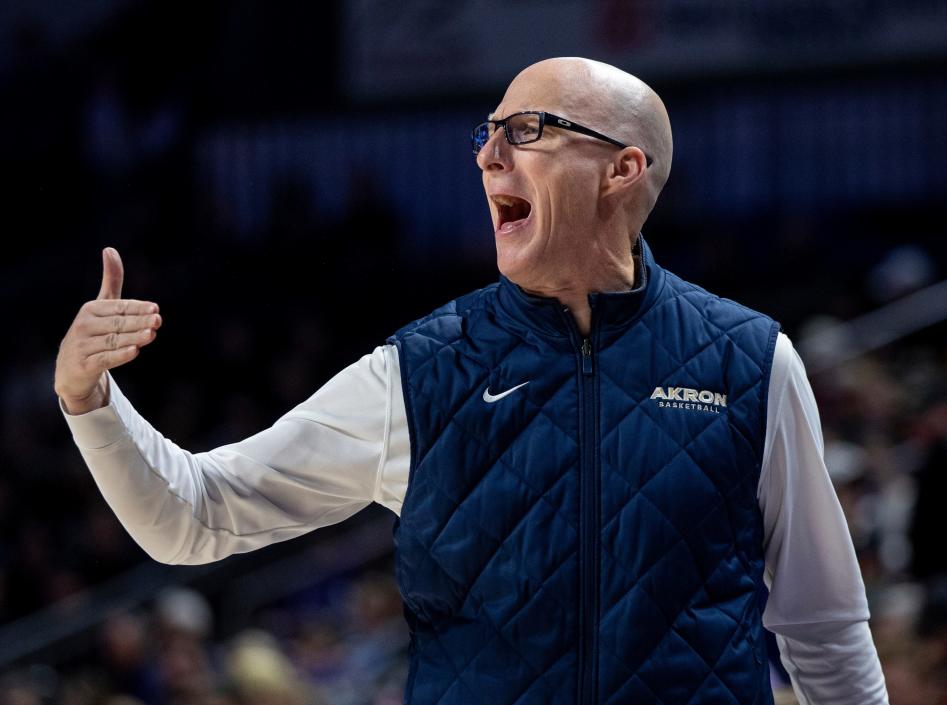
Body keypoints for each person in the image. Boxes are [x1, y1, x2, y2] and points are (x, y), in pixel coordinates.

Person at [55, 57, 889, 704]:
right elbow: (193, 516)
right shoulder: (416, 372)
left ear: (621, 169)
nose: (488, 155)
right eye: (484, 134)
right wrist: (89, 400)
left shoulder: (752, 360)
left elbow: (823, 628)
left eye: (525, 130)